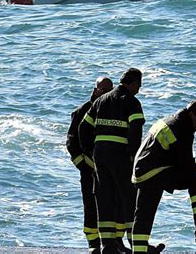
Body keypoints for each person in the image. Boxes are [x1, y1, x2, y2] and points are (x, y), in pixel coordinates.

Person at [79, 68, 162, 254]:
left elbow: (83, 128)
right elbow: (135, 131)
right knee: (130, 199)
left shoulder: (101, 100)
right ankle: (137, 245)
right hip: (121, 157)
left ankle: (108, 246)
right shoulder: (132, 102)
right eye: (138, 85)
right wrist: (134, 156)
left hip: (100, 157)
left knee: (105, 200)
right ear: (132, 83)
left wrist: (91, 152)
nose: (139, 90)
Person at [131, 100, 196, 253]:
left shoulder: (171, 120)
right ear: (191, 114)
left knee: (144, 215)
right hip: (154, 172)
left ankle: (139, 250)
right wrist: (193, 175)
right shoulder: (182, 129)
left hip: (141, 171)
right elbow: (186, 163)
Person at [66, 76, 114, 253]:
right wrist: (84, 166)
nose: (107, 94)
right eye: (103, 90)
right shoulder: (83, 111)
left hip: (109, 169)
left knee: (113, 205)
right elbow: (72, 142)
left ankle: (113, 242)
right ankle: (93, 243)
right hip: (89, 170)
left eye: (110, 90)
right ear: (95, 91)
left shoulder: (113, 110)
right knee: (91, 205)